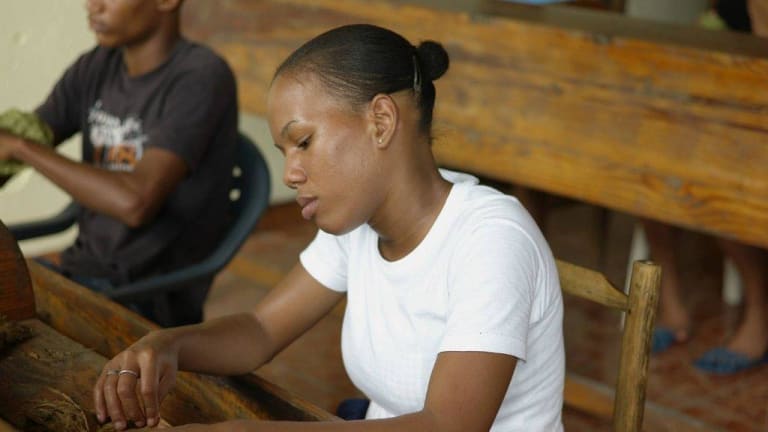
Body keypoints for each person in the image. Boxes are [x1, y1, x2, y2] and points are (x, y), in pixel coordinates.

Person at [92, 24, 565, 431]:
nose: (290, 174)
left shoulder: (491, 239)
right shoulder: (359, 226)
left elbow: (447, 425)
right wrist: (168, 345)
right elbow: (260, 330)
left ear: (381, 121)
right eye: (284, 153)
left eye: (303, 142)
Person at [0, 0, 239, 326]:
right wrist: (16, 146)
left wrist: (21, 148)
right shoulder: (96, 66)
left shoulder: (201, 76)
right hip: (79, 270)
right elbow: (27, 135)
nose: (92, 5)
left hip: (146, 296)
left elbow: (135, 203)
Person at [646, 0, 768, 374]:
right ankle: (670, 304)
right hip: (726, 77)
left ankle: (759, 316)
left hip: (754, 88)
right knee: (649, 163)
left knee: (719, 182)